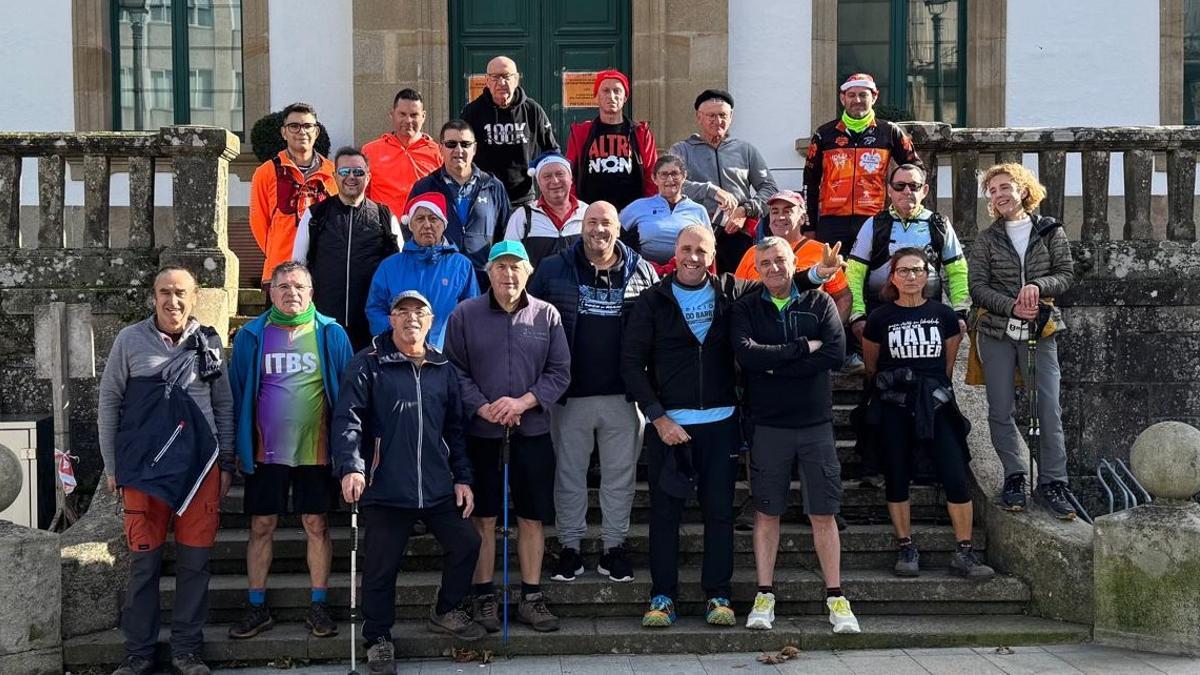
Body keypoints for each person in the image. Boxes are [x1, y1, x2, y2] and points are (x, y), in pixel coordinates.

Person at [621, 225, 841, 629]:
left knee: (719, 514)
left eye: (701, 250)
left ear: (713, 254)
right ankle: (662, 596)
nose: (692, 257)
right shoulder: (653, 301)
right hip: (669, 427)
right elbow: (631, 364)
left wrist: (817, 275)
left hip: (722, 424)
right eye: (686, 249)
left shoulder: (732, 291)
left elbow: (778, 282)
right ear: (675, 251)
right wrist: (658, 416)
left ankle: (718, 594)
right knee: (665, 515)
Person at [333, 289, 486, 675]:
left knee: (467, 542)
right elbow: (348, 419)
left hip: (436, 485)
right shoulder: (367, 363)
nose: (411, 319)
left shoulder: (443, 367)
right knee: (381, 566)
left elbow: (455, 429)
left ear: (432, 321)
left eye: (420, 313)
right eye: (403, 312)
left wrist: (463, 478)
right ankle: (378, 637)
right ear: (391, 319)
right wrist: (351, 466)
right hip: (386, 486)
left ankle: (447, 609)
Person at [98, 266, 235, 675]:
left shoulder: (208, 342)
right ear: (152, 297)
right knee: (144, 565)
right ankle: (138, 653)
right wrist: (112, 465)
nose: (172, 301)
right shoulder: (129, 341)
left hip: (199, 472)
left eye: (180, 293)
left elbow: (224, 405)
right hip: (142, 472)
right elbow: (109, 403)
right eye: (164, 292)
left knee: (195, 564)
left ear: (194, 299)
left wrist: (226, 462)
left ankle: (187, 651)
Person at [730, 236, 859, 634]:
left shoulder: (819, 302)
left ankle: (836, 596)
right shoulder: (746, 307)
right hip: (768, 425)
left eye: (779, 261)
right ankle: (764, 595)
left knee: (824, 513)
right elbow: (746, 356)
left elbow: (835, 354)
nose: (772, 268)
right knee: (767, 512)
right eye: (764, 262)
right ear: (756, 268)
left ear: (793, 262)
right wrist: (803, 347)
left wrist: (775, 362)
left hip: (815, 424)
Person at [527, 201, 658, 584]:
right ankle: (570, 548)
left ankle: (613, 548)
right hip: (569, 396)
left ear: (619, 229)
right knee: (569, 476)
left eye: (606, 223)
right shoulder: (554, 269)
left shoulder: (643, 271)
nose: (598, 229)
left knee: (620, 477)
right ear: (580, 226)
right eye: (591, 222)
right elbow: (530, 321)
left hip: (624, 396)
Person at [444, 241, 571, 634]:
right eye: (501, 267)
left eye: (516, 267)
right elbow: (454, 370)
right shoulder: (465, 314)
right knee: (483, 517)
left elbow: (559, 371)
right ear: (489, 272)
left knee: (532, 517)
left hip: (531, 430)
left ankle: (531, 596)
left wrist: (523, 403)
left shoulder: (546, 315)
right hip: (482, 433)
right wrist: (483, 407)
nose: (508, 275)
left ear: (528, 272)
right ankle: (483, 597)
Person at [227, 261, 354, 640]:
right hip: (266, 453)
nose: (291, 293)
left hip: (316, 452)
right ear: (270, 292)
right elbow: (237, 395)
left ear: (311, 292)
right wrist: (237, 446)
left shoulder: (330, 333)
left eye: (299, 286)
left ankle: (318, 605)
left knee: (316, 524)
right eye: (282, 286)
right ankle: (256, 606)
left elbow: (348, 397)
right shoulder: (252, 335)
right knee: (261, 525)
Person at [862, 248, 996, 580]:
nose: (911, 277)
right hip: (894, 401)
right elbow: (871, 365)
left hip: (935, 402)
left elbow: (946, 366)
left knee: (954, 473)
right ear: (893, 276)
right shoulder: (880, 318)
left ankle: (964, 551)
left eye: (917, 270)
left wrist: (931, 390)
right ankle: (905, 545)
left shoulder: (945, 315)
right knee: (896, 474)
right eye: (904, 271)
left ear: (927, 276)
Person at [971, 163, 1078, 519]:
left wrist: (1037, 288)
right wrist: (1012, 305)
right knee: (1000, 408)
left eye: (1005, 187)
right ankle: (1015, 476)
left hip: (1041, 329)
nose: (999, 195)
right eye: (993, 190)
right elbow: (978, 287)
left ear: (1022, 189)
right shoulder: (986, 239)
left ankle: (1053, 482)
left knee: (1047, 406)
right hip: (997, 331)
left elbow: (1064, 274)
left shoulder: (1049, 231)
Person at [293, 146, 403, 351]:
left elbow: (400, 271)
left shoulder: (385, 217)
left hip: (370, 327)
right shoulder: (315, 216)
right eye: (344, 172)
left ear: (368, 177)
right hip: (323, 324)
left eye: (358, 172)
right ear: (335, 176)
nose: (351, 177)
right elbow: (298, 270)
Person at [803, 73, 923, 254]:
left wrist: (902, 198)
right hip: (831, 221)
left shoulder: (889, 131)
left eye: (863, 95)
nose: (857, 100)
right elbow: (809, 183)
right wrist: (809, 225)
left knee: (872, 277)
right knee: (833, 277)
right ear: (842, 98)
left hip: (873, 219)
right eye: (851, 95)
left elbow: (917, 170)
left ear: (874, 97)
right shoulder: (824, 133)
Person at [672, 89, 778, 274]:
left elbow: (769, 188)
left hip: (739, 233)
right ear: (699, 117)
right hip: (697, 233)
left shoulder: (745, 150)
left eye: (722, 115)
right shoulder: (682, 150)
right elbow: (673, 185)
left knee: (740, 287)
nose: (717, 121)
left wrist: (746, 209)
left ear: (731, 117)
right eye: (711, 115)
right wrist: (710, 190)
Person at [365, 191, 479, 350]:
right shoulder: (389, 267)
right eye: (420, 219)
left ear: (444, 224)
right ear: (410, 225)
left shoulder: (461, 266)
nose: (427, 225)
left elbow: (472, 313)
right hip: (399, 355)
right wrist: (399, 335)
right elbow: (375, 308)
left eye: (433, 219)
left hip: (447, 357)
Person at [249, 102, 338, 292]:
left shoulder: (334, 172)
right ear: (284, 132)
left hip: (324, 270)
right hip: (280, 271)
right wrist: (276, 251)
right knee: (279, 323)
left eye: (307, 126)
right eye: (294, 126)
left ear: (317, 132)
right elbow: (259, 223)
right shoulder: (266, 172)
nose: (301, 132)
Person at [410, 120, 512, 280]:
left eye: (465, 144)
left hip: (484, 282)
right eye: (451, 144)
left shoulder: (493, 186)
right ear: (440, 148)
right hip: (438, 279)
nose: (458, 150)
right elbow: (412, 235)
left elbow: (507, 236)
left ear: (475, 148)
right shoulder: (424, 188)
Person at [733, 190, 851, 321]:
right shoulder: (753, 253)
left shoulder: (821, 251)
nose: (780, 217)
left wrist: (832, 333)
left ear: (802, 218)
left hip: (808, 334)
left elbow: (843, 297)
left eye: (787, 211)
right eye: (775, 211)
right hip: (761, 334)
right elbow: (737, 296)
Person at [461, 55, 559, 206]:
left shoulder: (533, 111)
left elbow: (551, 151)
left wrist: (548, 182)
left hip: (523, 198)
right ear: (487, 80)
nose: (501, 83)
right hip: (484, 196)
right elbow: (461, 151)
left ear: (516, 79)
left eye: (506, 76)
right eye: (495, 77)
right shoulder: (472, 112)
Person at [565, 69, 658, 211]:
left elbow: (651, 174)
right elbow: (569, 173)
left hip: (631, 214)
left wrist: (646, 210)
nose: (612, 96)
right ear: (596, 96)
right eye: (606, 91)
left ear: (625, 97)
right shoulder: (581, 133)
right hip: (590, 214)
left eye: (617, 91)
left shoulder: (640, 133)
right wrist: (575, 208)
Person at [619, 154, 711, 270]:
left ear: (684, 176)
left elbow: (709, 248)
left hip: (687, 271)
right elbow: (614, 229)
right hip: (644, 271)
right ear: (654, 178)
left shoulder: (698, 210)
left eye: (675, 174)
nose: (670, 179)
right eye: (664, 174)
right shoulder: (639, 206)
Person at [363, 88, 442, 216]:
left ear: (423, 116)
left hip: (423, 229)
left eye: (414, 115)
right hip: (383, 229)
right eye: (402, 114)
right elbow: (361, 195)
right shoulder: (370, 151)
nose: (408, 120)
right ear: (392, 114)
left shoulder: (438, 152)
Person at [503, 152, 587, 268]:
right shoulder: (523, 217)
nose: (555, 181)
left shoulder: (587, 213)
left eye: (560, 174)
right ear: (539, 183)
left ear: (571, 178)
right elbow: (510, 261)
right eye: (547, 176)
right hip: (535, 287)